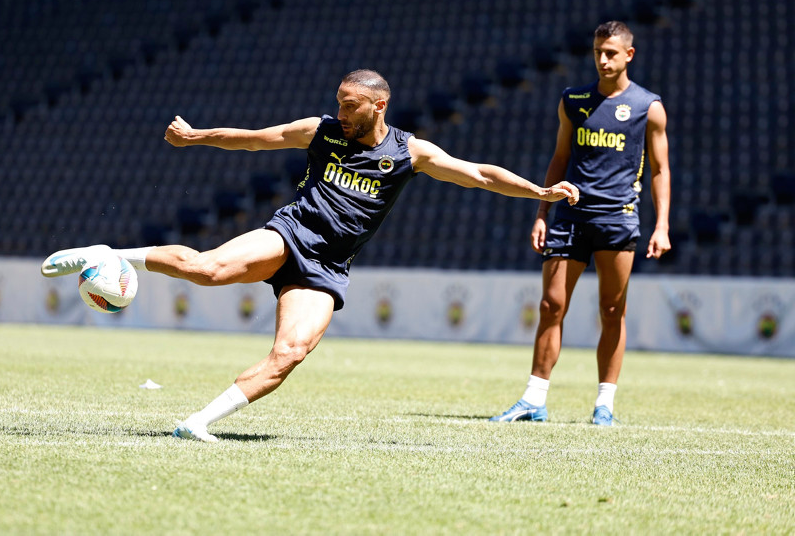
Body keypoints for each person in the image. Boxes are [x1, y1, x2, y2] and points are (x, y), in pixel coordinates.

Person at [42, 69, 579, 442]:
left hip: (329, 266)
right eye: (339, 102)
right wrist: (194, 137)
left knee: (291, 353)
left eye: (351, 105)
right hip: (290, 234)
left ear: (378, 105)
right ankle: (108, 252)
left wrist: (539, 192)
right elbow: (255, 139)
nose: (341, 112)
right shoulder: (321, 131)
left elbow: (480, 173)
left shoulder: (408, 153)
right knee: (208, 268)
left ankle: (197, 422)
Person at [490, 21, 671, 426]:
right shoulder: (572, 100)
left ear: (629, 55)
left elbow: (660, 169)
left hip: (618, 218)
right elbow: (559, 158)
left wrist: (661, 226)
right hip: (570, 213)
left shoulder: (648, 107)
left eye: (611, 52)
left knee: (611, 310)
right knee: (551, 305)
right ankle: (534, 399)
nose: (603, 59)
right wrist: (542, 210)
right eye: (597, 52)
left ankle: (604, 404)